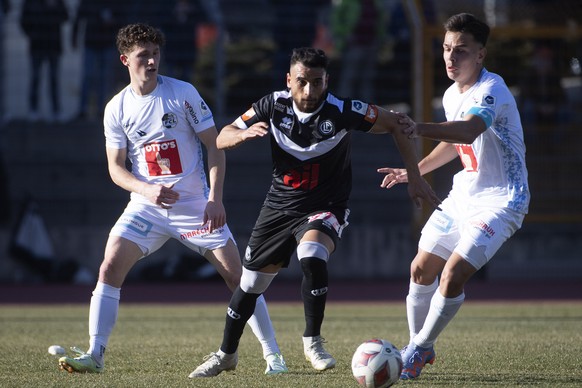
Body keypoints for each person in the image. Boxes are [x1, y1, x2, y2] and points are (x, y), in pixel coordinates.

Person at [189, 47, 440, 378]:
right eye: (302, 82)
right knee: (249, 285)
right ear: (289, 80)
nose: (309, 92)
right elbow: (222, 136)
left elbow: (397, 124)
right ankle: (226, 354)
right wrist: (242, 135)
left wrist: (415, 177)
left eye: (317, 83)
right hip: (279, 207)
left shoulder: (344, 110)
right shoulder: (272, 105)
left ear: (327, 81)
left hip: (325, 207)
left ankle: (313, 341)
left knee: (311, 253)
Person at [57, 23, 287, 376]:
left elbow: (216, 145)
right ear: (124, 60)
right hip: (147, 207)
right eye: (142, 55)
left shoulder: (182, 94)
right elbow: (116, 169)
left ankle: (274, 357)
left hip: (196, 206)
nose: (151, 61)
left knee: (239, 278)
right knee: (109, 265)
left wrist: (215, 199)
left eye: (155, 53)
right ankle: (96, 353)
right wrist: (146, 189)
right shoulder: (116, 108)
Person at [378, 13, 530, 380]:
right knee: (419, 269)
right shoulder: (450, 93)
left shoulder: (493, 89)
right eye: (446, 48)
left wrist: (416, 127)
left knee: (453, 274)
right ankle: (416, 347)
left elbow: (468, 129)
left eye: (461, 50)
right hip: (464, 193)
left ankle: (417, 349)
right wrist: (414, 170)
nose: (450, 57)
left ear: (480, 55)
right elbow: (454, 143)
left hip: (502, 199)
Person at [72, 0, 123, 120]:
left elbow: (121, 19)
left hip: (107, 43)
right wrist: (74, 38)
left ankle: (102, 110)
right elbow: (79, 18)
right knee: (88, 76)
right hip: (91, 43)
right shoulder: (88, 3)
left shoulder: (113, 3)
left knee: (104, 78)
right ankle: (83, 110)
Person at [20, 0, 69, 122]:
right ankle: (33, 109)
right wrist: (33, 34)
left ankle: (56, 110)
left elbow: (65, 16)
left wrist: (54, 6)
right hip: (37, 45)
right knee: (35, 77)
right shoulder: (30, 3)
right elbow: (23, 20)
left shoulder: (57, 2)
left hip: (53, 44)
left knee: (53, 79)